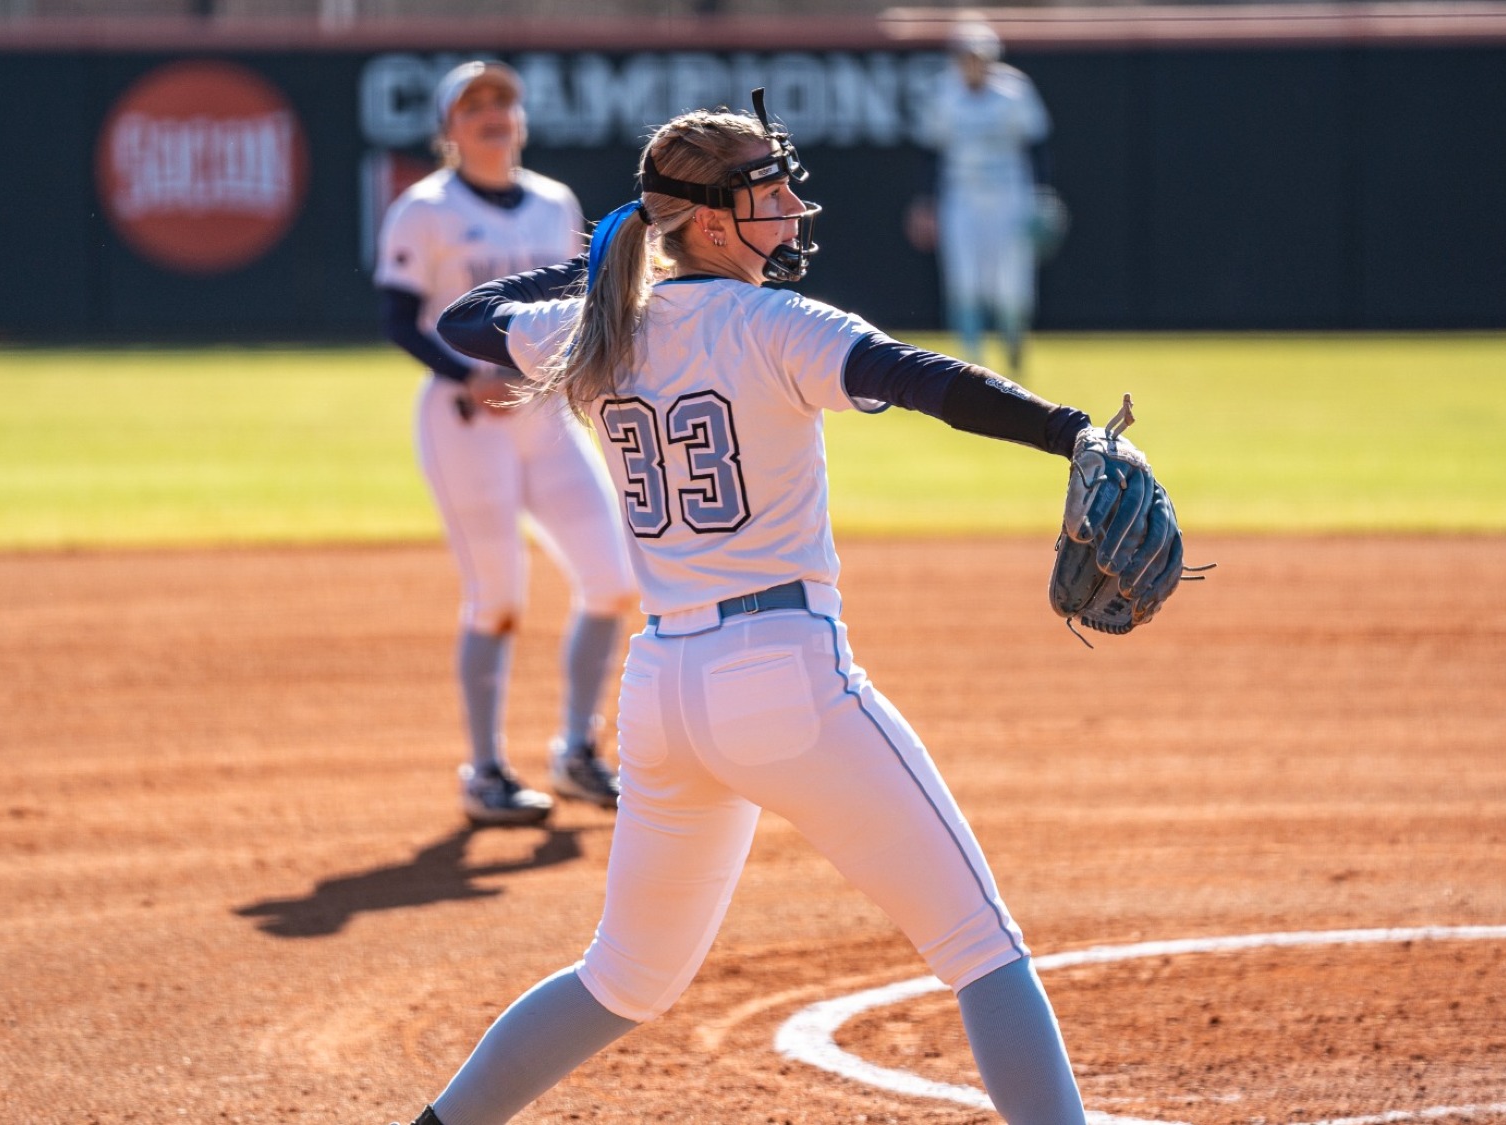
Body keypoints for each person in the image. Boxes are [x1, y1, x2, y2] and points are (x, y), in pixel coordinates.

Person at [398, 91, 1143, 1125]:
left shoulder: (592, 328)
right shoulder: (775, 324)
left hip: (662, 695)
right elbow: (921, 378)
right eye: (764, 190)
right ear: (707, 222)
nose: (790, 205)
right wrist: (1072, 433)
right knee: (980, 948)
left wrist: (612, 258)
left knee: (621, 980)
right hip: (788, 679)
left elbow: (463, 320)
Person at [374, 60, 637, 825]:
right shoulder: (423, 209)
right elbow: (396, 317)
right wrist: (462, 373)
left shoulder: (554, 203)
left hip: (543, 417)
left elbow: (574, 306)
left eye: (504, 102)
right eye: (474, 104)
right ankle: (485, 770)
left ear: (519, 122)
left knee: (614, 579)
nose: (492, 114)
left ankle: (576, 752)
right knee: (498, 597)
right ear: (449, 129)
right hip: (465, 421)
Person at [913, 19, 1053, 381]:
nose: (973, 64)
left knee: (1011, 280)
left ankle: (1013, 344)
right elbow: (932, 151)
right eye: (966, 57)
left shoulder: (1014, 90)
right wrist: (927, 203)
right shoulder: (943, 93)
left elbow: (1036, 144)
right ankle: (972, 358)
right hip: (962, 196)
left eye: (979, 57)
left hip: (1010, 195)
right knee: (964, 277)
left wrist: (1040, 194)